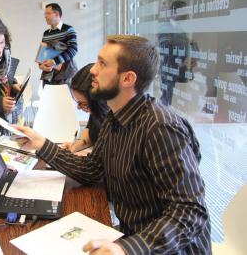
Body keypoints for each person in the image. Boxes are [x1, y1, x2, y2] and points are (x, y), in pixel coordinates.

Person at [17, 35, 211, 254]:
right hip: (134, 236)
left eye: (103, 64)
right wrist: (42, 144)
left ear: (127, 78)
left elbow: (190, 211)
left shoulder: (160, 127)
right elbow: (92, 169)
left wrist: (127, 249)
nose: (92, 70)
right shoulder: (115, 117)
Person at [60, 63, 108, 154]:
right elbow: (88, 138)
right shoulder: (95, 114)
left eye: (83, 104)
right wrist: (74, 147)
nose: (79, 107)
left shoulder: (113, 121)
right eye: (78, 102)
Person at [38, 3, 78, 85]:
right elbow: (42, 54)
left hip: (65, 75)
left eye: (48, 13)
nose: (45, 16)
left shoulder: (68, 29)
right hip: (48, 76)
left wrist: (54, 61)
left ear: (56, 14)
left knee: (65, 98)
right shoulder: (46, 33)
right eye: (45, 14)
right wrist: (41, 65)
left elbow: (73, 50)